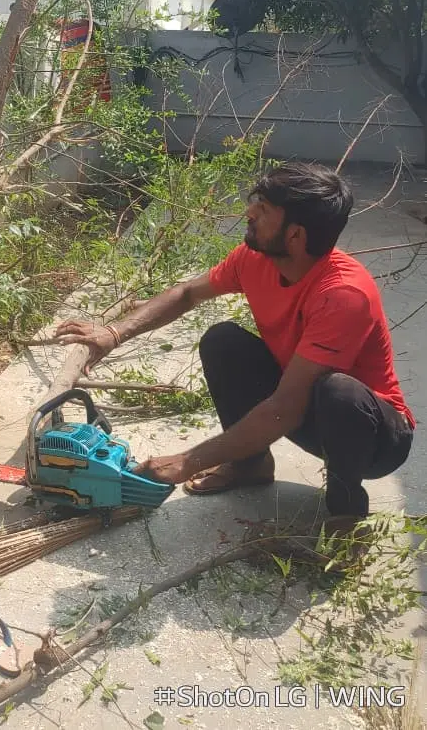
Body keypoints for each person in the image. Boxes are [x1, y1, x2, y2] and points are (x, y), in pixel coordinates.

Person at [54, 162, 415, 535]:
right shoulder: (255, 259)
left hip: (373, 438)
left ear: (295, 235)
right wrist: (113, 333)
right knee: (223, 341)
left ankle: (346, 511)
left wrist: (186, 462)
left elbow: (285, 410)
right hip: (306, 407)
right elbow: (187, 292)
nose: (249, 213)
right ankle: (250, 465)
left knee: (339, 391)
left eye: (264, 209)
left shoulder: (343, 294)